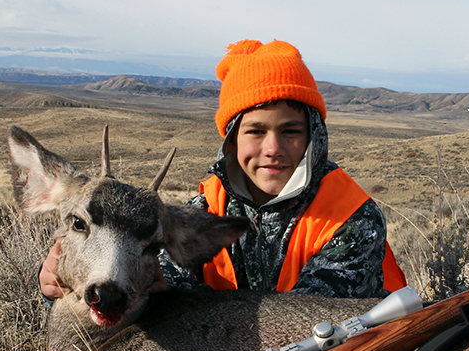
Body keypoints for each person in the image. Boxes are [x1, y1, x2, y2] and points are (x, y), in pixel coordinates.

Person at [40, 38, 406, 300]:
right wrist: (68, 276)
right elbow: (150, 291)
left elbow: (310, 326)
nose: (273, 149)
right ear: (231, 140)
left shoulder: (352, 217)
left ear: (315, 137)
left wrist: (174, 300)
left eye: (291, 131)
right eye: (256, 131)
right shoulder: (203, 210)